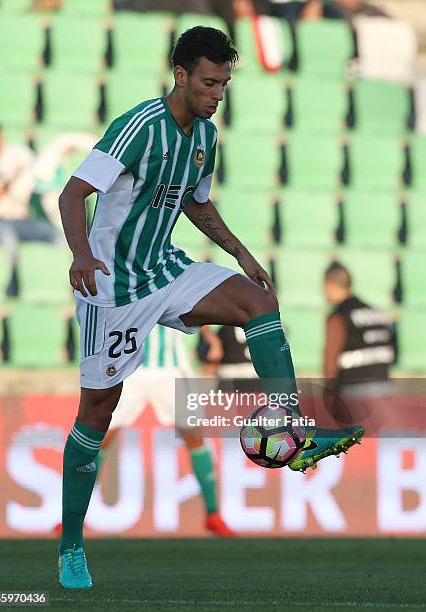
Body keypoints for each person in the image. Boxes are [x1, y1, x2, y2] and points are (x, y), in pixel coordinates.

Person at [57, 26, 363, 589]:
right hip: (113, 286)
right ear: (180, 75)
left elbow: (196, 204)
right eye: (208, 82)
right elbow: (73, 193)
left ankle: (290, 427)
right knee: (96, 414)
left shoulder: (205, 136)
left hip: (165, 269)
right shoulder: (138, 127)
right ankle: (72, 546)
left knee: (259, 301)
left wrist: (243, 254)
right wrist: (80, 254)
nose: (217, 93)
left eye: (224, 83)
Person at [100, 324, 235, 537]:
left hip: (171, 368)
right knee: (101, 437)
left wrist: (210, 336)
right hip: (129, 366)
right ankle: (71, 517)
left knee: (194, 436)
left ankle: (213, 515)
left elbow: (193, 297)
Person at [0, 119, 62, 296]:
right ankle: (13, 286)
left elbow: (38, 175)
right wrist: (15, 181)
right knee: (7, 240)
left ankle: (71, 286)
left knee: (58, 237)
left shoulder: (16, 153)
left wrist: (18, 181)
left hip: (22, 219)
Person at [323, 262, 395, 424]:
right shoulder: (374, 312)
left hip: (354, 390)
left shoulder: (339, 315)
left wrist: (329, 393)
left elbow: (330, 355)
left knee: (353, 443)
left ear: (330, 284)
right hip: (382, 385)